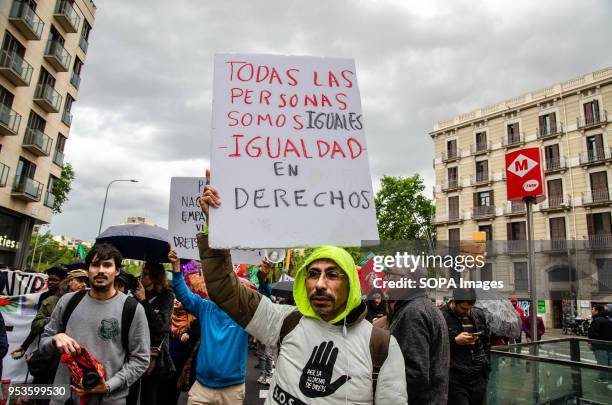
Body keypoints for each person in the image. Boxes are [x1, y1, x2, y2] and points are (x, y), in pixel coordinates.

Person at [197, 177, 408, 404]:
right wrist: (215, 228)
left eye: (333, 275)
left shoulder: (381, 346)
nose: (319, 284)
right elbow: (225, 291)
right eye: (313, 274)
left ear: (351, 285)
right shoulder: (287, 321)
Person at [40, 243, 150, 405]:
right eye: (95, 265)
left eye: (107, 265)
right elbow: (43, 344)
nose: (101, 270)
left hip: (109, 400)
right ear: (88, 270)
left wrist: (109, 386)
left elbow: (141, 359)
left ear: (117, 271)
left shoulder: (132, 309)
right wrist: (55, 339)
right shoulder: (68, 301)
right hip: (64, 398)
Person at [169, 248, 249, 405]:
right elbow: (183, 294)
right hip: (202, 388)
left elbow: (264, 306)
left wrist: (264, 278)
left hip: (232, 390)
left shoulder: (244, 311)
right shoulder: (205, 308)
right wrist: (176, 267)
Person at [386, 266, 450, 405]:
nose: (386, 279)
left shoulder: (413, 312)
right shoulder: (423, 307)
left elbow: (415, 373)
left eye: (390, 274)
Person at [133, 262, 175, 405]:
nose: (141, 277)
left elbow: (160, 325)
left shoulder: (167, 295)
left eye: (145, 274)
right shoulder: (134, 294)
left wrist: (144, 301)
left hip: (154, 354)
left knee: (149, 397)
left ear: (154, 277)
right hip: (134, 350)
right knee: (130, 394)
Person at [441, 288, 491, 405]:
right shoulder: (442, 316)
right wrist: (455, 341)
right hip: (455, 378)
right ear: (454, 301)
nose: (467, 312)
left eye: (470, 308)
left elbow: (486, 343)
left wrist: (486, 367)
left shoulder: (478, 314)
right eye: (463, 308)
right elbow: (436, 348)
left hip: (478, 375)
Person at [588, 304, 612, 383]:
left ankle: (603, 378)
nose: (591, 311)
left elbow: (593, 334)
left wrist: (591, 343)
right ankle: (608, 377)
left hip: (599, 346)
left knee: (602, 362)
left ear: (597, 311)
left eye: (593, 309)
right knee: (606, 361)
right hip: (606, 345)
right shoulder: (606, 319)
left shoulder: (597, 320)